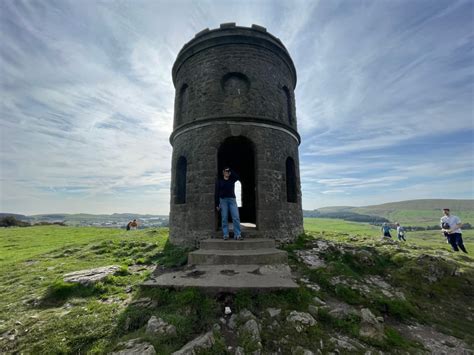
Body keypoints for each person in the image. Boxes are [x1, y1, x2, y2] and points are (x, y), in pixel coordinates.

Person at [215, 167, 242, 240]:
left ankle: (238, 234)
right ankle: (225, 234)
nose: (227, 172)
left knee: (236, 217)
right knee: (224, 218)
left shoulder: (232, 180)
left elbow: (237, 177)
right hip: (223, 200)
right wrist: (217, 204)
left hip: (232, 200)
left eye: (228, 171)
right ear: (223, 172)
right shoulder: (219, 181)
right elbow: (217, 193)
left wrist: (231, 170)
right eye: (225, 171)